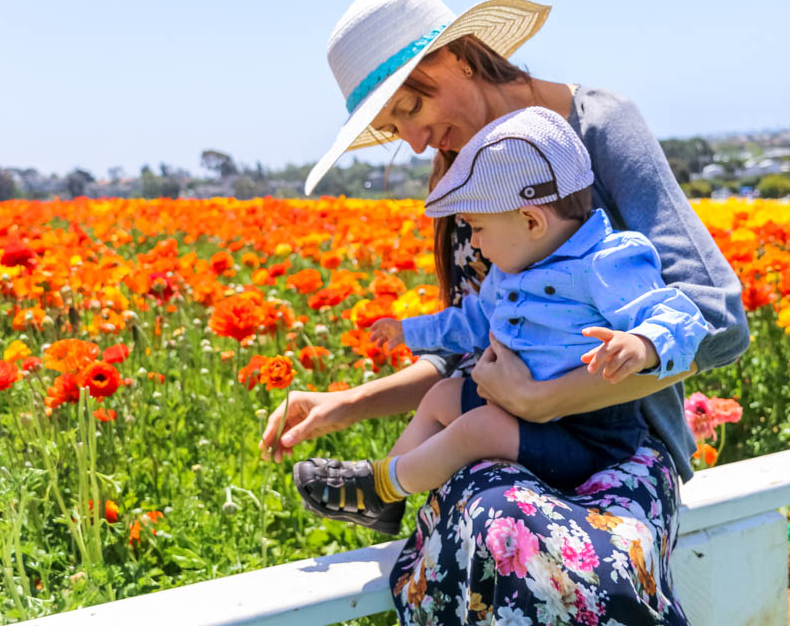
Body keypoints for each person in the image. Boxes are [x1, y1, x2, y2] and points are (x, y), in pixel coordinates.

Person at [260, 0, 750, 626]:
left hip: (615, 445)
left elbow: (717, 318)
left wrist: (551, 399)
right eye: (396, 128)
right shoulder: (467, 181)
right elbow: (482, 348)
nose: (418, 141)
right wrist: (350, 403)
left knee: (533, 549)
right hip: (499, 443)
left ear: (456, 54)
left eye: (414, 108)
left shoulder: (596, 127)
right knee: (494, 534)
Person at [291, 106, 710, 538]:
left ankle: (383, 480)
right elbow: (472, 320)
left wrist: (643, 344)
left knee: (477, 428)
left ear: (530, 221)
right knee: (440, 397)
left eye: (477, 228)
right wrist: (409, 331)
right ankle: (384, 498)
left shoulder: (606, 260)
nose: (473, 241)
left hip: (587, 436)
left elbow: (679, 315)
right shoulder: (511, 270)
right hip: (522, 415)